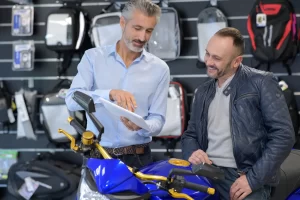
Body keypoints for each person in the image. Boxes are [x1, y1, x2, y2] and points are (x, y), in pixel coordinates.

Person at [181, 27, 295, 200]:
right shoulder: (203, 91)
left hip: (243, 177)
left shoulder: (261, 82)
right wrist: (193, 151)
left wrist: (252, 180)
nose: (208, 61)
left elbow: (284, 136)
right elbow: (190, 134)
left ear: (236, 61)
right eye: (207, 54)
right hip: (206, 173)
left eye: (217, 58)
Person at [65, 0, 170, 169]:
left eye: (149, 31)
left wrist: (143, 126)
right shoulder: (93, 58)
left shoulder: (160, 69)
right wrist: (109, 94)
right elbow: (71, 99)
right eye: (137, 28)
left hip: (139, 159)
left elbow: (157, 120)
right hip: (98, 156)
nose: (142, 37)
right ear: (123, 23)